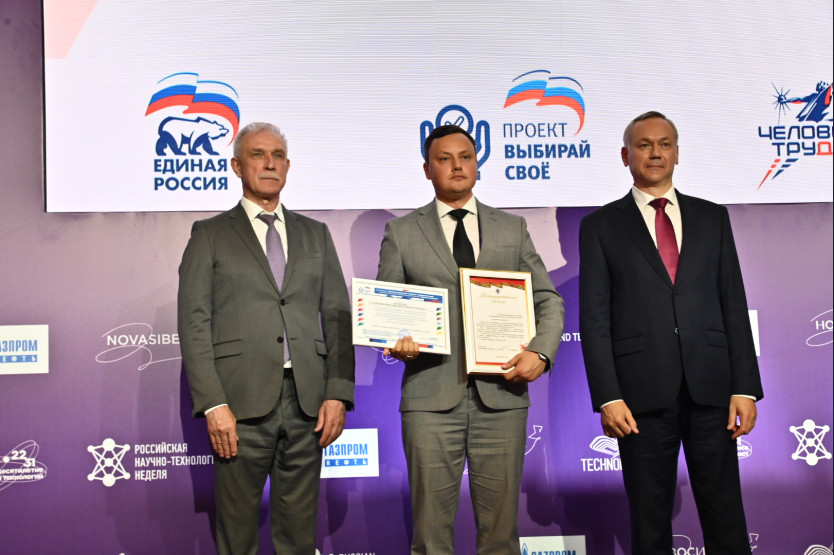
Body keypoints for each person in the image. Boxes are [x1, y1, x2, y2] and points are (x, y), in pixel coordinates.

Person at [579, 111, 763, 554]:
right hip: (640, 398)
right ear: (625, 155)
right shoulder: (601, 226)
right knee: (649, 524)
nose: (655, 153)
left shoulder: (712, 217)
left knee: (726, 518)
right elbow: (595, 320)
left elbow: (733, 304)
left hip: (712, 391)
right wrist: (608, 396)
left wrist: (745, 387)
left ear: (677, 153)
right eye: (644, 145)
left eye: (664, 144)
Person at [377, 124, 565, 554]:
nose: (457, 166)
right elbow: (388, 308)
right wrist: (396, 338)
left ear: (477, 164)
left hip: (502, 396)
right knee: (430, 536)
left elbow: (548, 300)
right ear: (427, 169)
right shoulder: (402, 232)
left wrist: (541, 352)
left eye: (465, 157)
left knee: (501, 537)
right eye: (444, 159)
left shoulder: (512, 228)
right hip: (430, 397)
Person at [178, 122, 355, 554]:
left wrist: (337, 392)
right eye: (258, 154)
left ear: (288, 167)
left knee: (299, 536)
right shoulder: (210, 234)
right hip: (239, 405)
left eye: (277, 155)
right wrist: (214, 404)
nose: (270, 163)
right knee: (237, 535)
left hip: (308, 404)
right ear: (237, 166)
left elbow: (337, 316)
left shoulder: (316, 233)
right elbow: (194, 322)